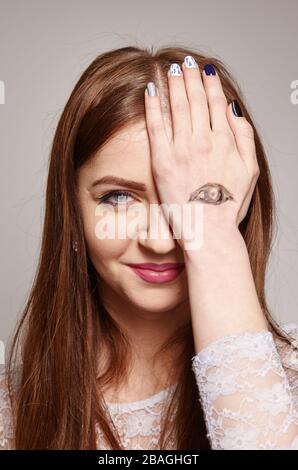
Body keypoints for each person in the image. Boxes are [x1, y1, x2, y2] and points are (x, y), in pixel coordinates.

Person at [1, 45, 298, 450]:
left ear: (243, 198)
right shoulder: (11, 405)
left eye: (199, 195)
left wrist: (212, 235)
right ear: (71, 208)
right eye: (118, 198)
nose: (158, 241)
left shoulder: (288, 383)